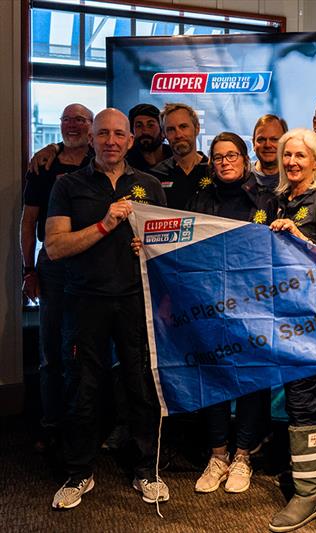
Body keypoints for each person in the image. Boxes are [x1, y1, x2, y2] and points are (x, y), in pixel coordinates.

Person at [46, 108, 168, 509]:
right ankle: (79, 473)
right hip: (85, 302)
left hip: (136, 300)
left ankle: (147, 472)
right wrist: (105, 224)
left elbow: (166, 243)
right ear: (92, 139)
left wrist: (148, 248)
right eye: (103, 134)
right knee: (83, 388)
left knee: (141, 387)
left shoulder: (149, 185)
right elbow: (55, 247)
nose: (111, 141)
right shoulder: (68, 186)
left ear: (131, 140)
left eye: (119, 134)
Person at [185, 132, 277, 495]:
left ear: (245, 158)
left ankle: (242, 456)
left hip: (253, 304)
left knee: (251, 382)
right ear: (212, 161)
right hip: (209, 304)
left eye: (232, 155)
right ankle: (218, 455)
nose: (225, 161)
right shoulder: (199, 200)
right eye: (219, 156)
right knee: (215, 380)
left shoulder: (266, 200)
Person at [267, 128, 316, 532]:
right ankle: (308, 480)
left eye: (300, 155)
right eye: (287, 155)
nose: (292, 162)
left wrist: (301, 237)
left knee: (306, 398)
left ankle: (309, 494)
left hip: (315, 316)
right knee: (299, 397)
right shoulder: (278, 200)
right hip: (282, 315)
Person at [21, 103, 93, 452]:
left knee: (87, 350)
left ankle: (86, 424)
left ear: (91, 126)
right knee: (51, 352)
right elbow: (28, 221)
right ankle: (52, 424)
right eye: (66, 119)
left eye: (80, 119)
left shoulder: (101, 160)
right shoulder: (44, 165)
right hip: (51, 265)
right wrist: (28, 269)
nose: (72, 125)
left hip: (94, 265)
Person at [150, 103, 210, 210]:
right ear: (164, 134)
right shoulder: (154, 176)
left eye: (183, 127)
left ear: (197, 129)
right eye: (171, 129)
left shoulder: (213, 171)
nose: (178, 135)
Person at [126, 103, 173, 172]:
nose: (145, 131)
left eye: (150, 125)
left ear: (162, 130)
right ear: (132, 131)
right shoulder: (125, 163)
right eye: (139, 126)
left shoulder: (175, 156)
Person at [253, 114, 289, 191]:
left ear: (285, 143)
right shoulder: (242, 177)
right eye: (261, 139)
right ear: (253, 144)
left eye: (274, 139)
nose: (267, 145)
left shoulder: (295, 178)